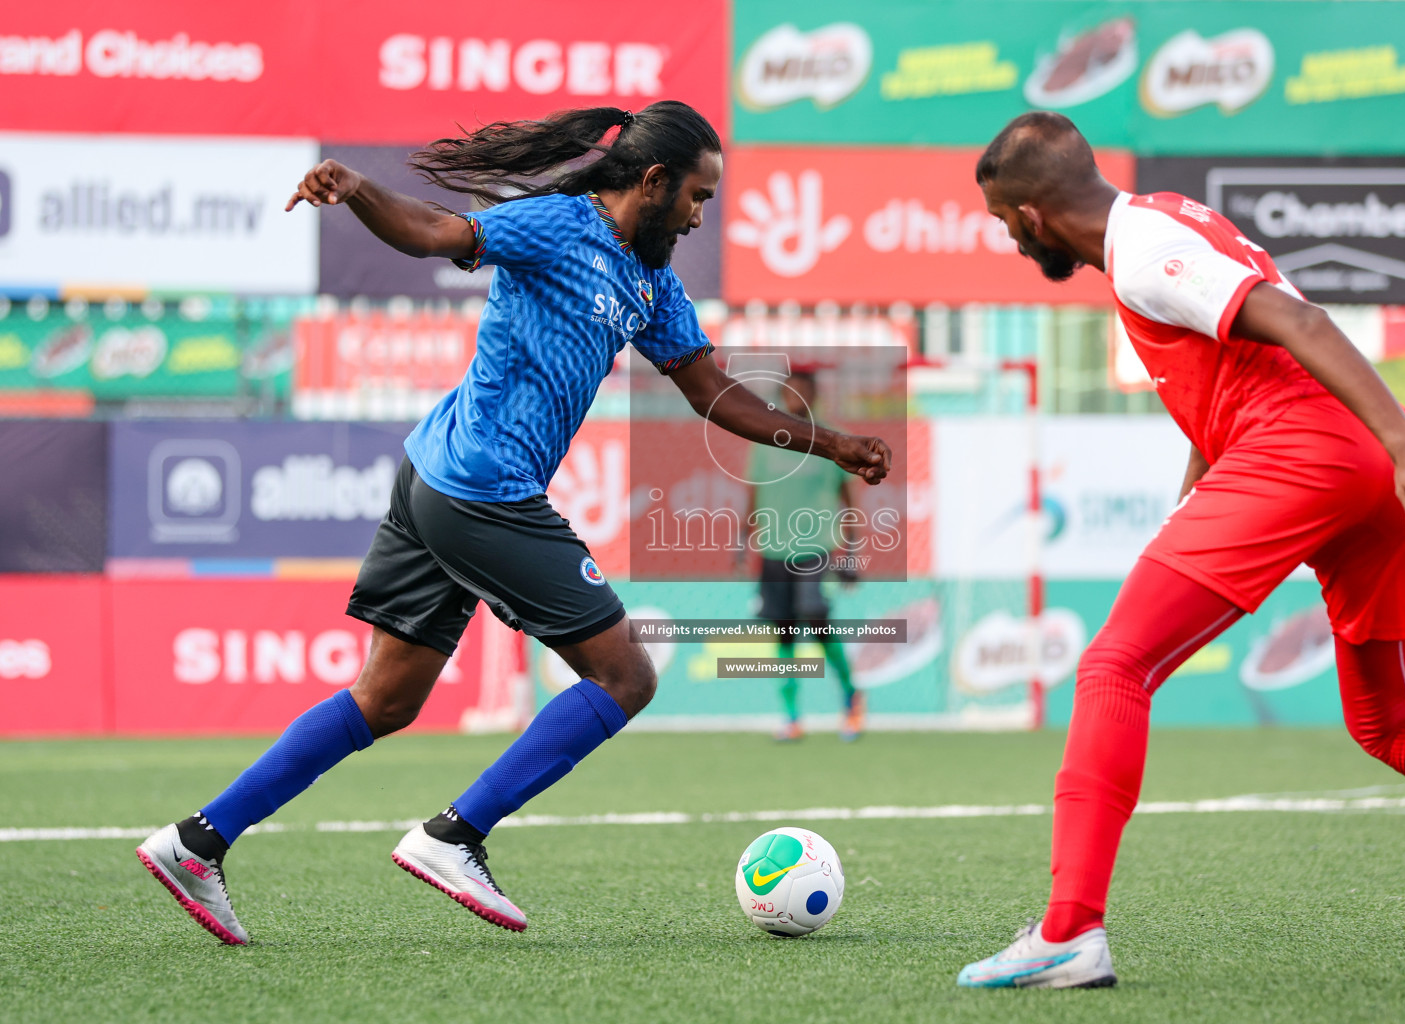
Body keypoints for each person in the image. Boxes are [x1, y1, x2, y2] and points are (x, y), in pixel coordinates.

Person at [135, 101, 891, 946]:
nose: (699, 214)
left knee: (383, 700)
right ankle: (453, 836)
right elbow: (432, 231)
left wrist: (830, 445)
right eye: (697, 197)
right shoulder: (557, 227)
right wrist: (357, 189)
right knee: (625, 678)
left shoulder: (651, 282)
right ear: (653, 182)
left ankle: (196, 842)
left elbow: (714, 392)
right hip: (480, 489)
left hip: (435, 477)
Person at [957, 111, 1405, 990]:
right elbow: (1231, 371)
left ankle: (1069, 931)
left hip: (1315, 451)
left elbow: (1298, 324)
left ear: (1031, 217)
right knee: (1393, 724)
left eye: (1004, 225)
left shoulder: (1143, 250)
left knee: (1116, 666)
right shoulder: (1165, 216)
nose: (1011, 239)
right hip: (1363, 461)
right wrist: (1371, 450)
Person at [742, 369, 865, 742]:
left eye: (802, 393)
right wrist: (741, 542)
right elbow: (752, 495)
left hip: (815, 549)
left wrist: (852, 553)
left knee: (816, 619)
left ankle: (851, 697)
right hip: (774, 550)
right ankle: (792, 716)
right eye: (789, 393)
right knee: (783, 632)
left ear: (813, 396)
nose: (795, 399)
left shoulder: (831, 440)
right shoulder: (765, 442)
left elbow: (848, 503)